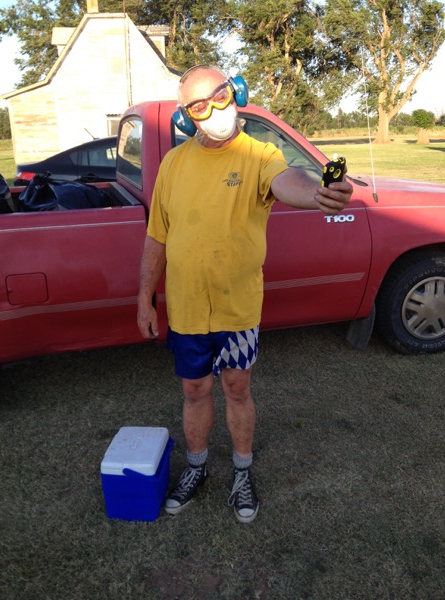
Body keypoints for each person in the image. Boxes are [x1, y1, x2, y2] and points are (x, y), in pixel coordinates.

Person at [137, 64, 353, 523]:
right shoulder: (172, 164)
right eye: (199, 106)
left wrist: (319, 193)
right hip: (187, 308)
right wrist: (144, 299)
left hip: (237, 309)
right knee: (194, 389)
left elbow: (288, 180)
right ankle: (196, 468)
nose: (214, 110)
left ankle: (241, 472)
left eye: (220, 96)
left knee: (237, 387)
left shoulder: (259, 154)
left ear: (235, 92)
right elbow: (157, 236)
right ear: (186, 117)